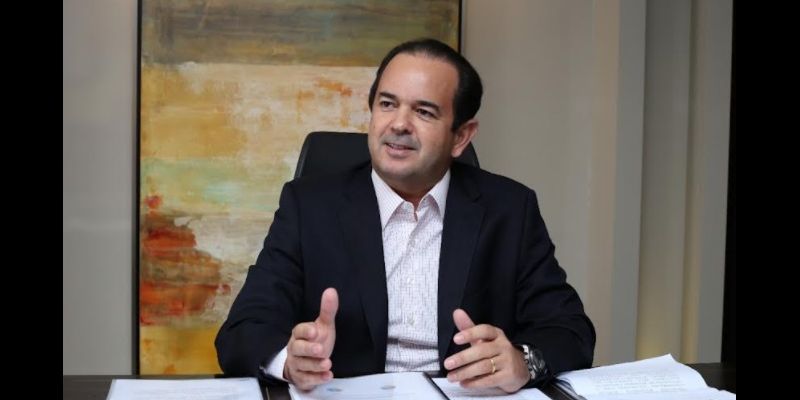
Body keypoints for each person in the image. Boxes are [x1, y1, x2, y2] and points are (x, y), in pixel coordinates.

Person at [215, 38, 595, 393]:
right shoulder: (309, 207)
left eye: (423, 112)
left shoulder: (509, 209)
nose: (398, 124)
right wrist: (290, 360)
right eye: (387, 104)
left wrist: (522, 361)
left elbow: (570, 330)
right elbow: (242, 330)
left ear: (461, 136)